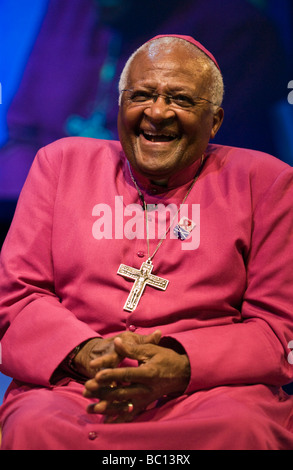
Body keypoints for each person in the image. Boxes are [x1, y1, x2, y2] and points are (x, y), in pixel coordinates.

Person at [0, 34, 293, 450]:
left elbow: (277, 328)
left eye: (181, 99)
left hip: (212, 393)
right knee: (34, 426)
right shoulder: (60, 163)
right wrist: (86, 352)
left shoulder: (266, 182)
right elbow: (15, 295)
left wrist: (183, 364)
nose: (157, 112)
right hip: (77, 387)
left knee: (242, 430)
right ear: (119, 107)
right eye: (141, 95)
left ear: (216, 121)